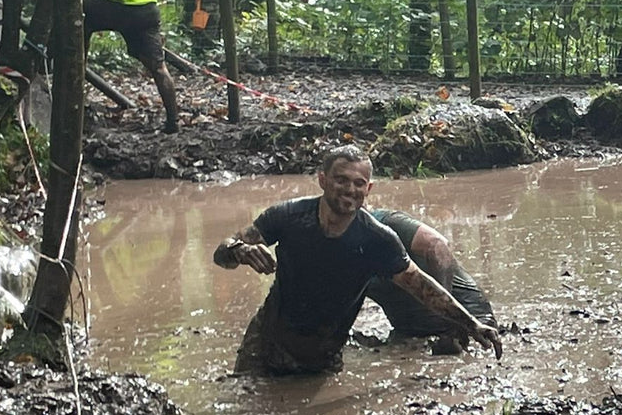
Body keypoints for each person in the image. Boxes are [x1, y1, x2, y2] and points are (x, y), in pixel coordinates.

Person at [214, 144, 500, 374]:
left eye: (358, 183)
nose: (349, 190)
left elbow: (421, 287)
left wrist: (471, 324)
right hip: (267, 339)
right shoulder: (286, 216)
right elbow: (221, 255)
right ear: (322, 180)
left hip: (323, 353)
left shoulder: (378, 239)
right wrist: (239, 249)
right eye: (341, 180)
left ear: (369, 189)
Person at [80, 0, 179, 133]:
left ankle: (76, 60)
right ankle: (173, 122)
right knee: (159, 68)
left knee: (80, 6)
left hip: (119, 9)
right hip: (147, 12)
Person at [363, 208, 496, 353]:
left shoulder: (386, 223)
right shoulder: (339, 248)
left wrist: (447, 318)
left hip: (469, 318)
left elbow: (437, 245)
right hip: (410, 331)